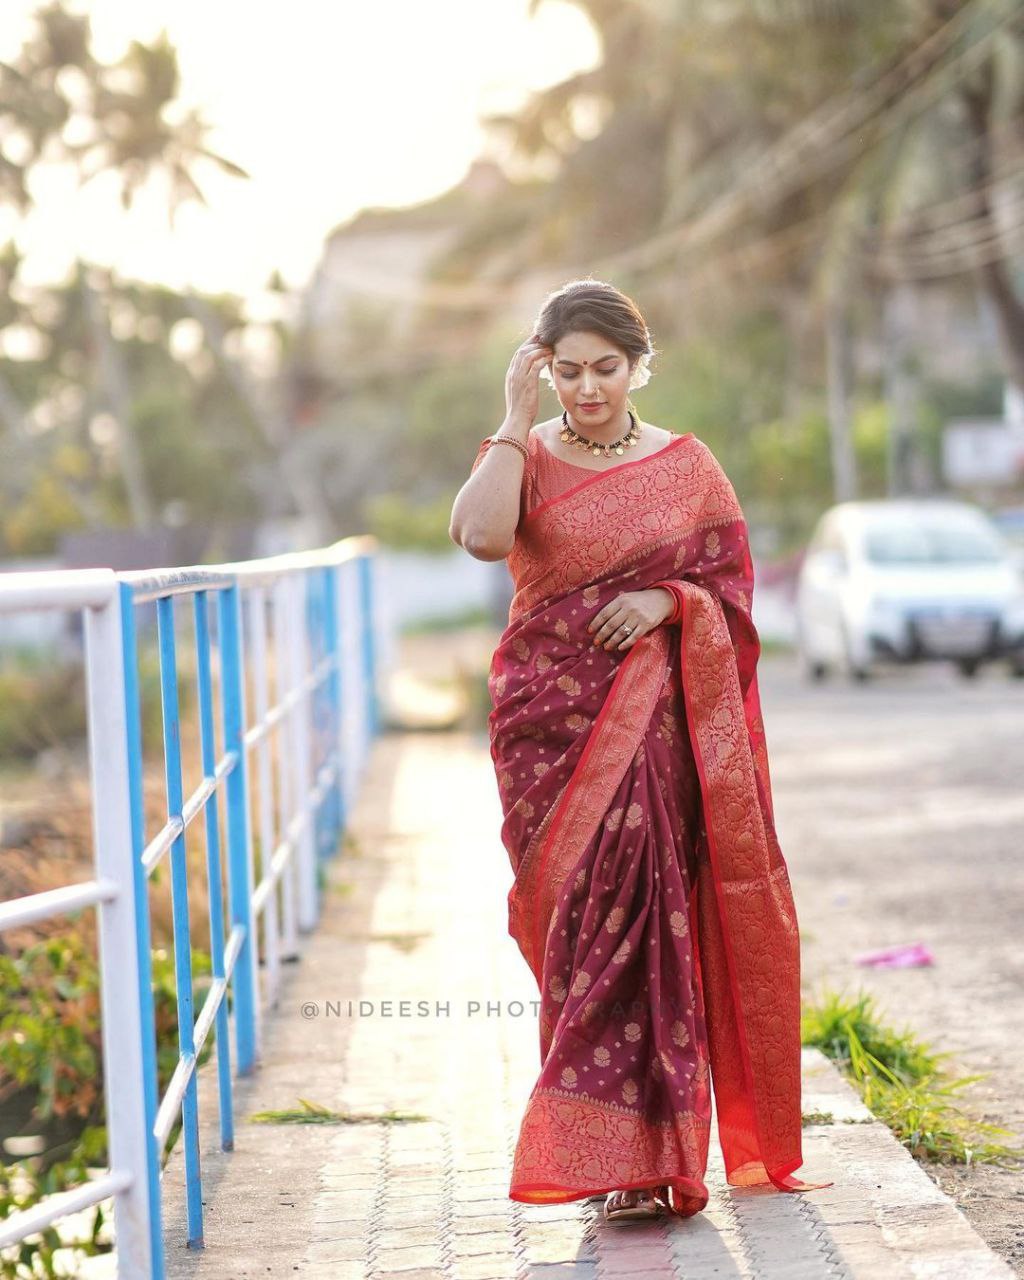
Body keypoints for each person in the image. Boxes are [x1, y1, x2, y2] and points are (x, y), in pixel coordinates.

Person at [449, 278, 831, 1223]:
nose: (587, 389)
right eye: (568, 371)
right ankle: (607, 1142)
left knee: (647, 923)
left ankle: (648, 1155)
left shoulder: (688, 468)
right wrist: (511, 415)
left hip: (652, 727)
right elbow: (478, 536)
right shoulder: (525, 455)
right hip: (547, 730)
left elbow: (731, 598)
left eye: (605, 369)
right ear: (544, 368)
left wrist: (670, 603)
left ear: (639, 364)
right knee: (580, 931)